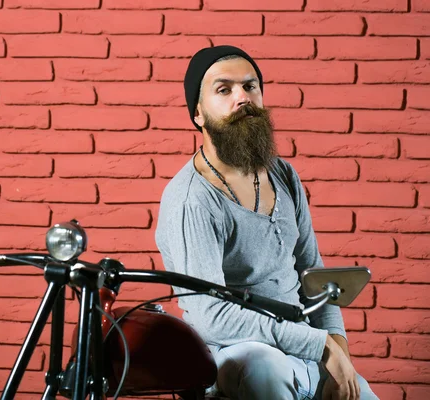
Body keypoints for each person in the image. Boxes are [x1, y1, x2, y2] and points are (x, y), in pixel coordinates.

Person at [154, 46, 378, 400]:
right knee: (264, 368)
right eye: (224, 90)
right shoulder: (192, 199)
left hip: (304, 348)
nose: (242, 97)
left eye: (250, 86)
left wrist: (339, 353)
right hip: (237, 353)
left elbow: (313, 273)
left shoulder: (283, 174)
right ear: (197, 113)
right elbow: (210, 316)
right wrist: (318, 346)